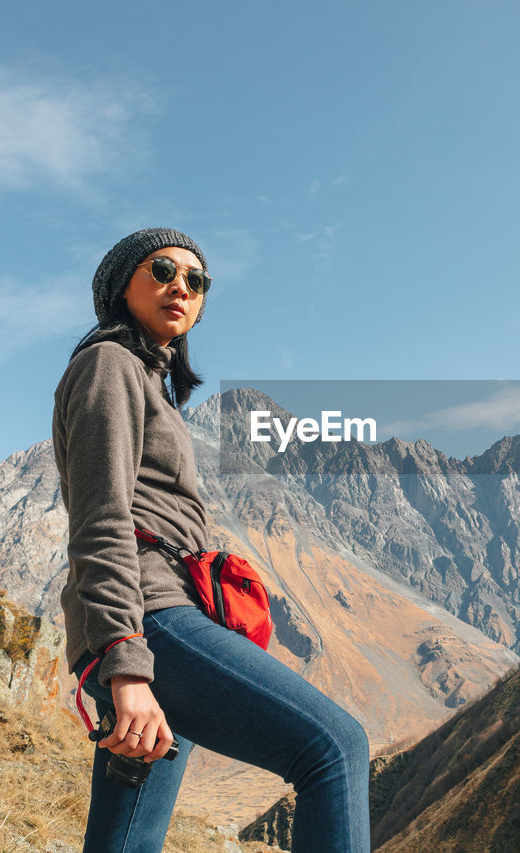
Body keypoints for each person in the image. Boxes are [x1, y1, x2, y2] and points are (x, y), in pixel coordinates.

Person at [53, 227, 370, 852]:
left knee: (128, 836)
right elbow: (101, 520)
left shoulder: (148, 379)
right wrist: (127, 665)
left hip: (162, 618)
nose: (182, 287)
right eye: (164, 270)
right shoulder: (109, 364)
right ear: (122, 284)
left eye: (196, 281)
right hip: (150, 618)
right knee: (335, 748)